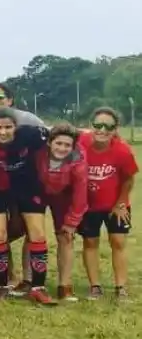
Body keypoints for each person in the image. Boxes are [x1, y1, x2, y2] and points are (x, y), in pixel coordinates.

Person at [0, 107, 55, 305]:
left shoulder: (30, 134)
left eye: (8, 127)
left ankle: (38, 288)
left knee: (37, 234)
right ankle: (2, 287)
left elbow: (62, 134)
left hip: (27, 187)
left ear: (16, 127)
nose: (3, 132)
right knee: (0, 234)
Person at [78, 107, 137, 301]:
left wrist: (120, 204)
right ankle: (95, 287)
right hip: (89, 206)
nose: (102, 130)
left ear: (115, 129)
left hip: (115, 205)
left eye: (108, 126)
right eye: (97, 125)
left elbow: (128, 179)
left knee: (118, 242)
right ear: (90, 126)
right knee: (90, 242)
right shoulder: (81, 144)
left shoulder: (122, 151)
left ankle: (121, 288)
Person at [35, 124, 88, 301]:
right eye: (58, 143)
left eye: (67, 145)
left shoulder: (78, 161)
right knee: (34, 234)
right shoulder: (38, 152)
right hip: (39, 191)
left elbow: (80, 195)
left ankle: (64, 286)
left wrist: (72, 222)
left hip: (64, 195)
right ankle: (29, 280)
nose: (62, 148)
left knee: (65, 237)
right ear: (49, 143)